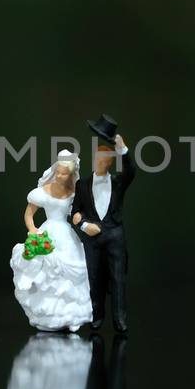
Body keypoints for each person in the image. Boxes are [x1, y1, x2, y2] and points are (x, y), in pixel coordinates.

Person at [10, 150, 92, 331]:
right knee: (45, 269)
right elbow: (29, 214)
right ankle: (44, 312)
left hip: (65, 234)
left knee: (69, 272)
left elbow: (78, 213)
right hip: (47, 231)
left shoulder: (73, 193)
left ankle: (67, 316)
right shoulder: (43, 191)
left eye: (64, 173)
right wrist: (33, 230)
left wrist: (81, 219)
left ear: (71, 174)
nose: (60, 176)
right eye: (59, 172)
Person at [69, 114, 136, 331]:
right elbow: (75, 212)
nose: (99, 163)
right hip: (93, 239)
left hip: (115, 235)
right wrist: (83, 225)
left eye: (104, 161)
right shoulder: (82, 185)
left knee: (118, 279)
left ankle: (120, 319)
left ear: (110, 163)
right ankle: (96, 316)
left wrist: (123, 149)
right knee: (94, 277)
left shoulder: (118, 183)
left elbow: (131, 171)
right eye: (97, 159)